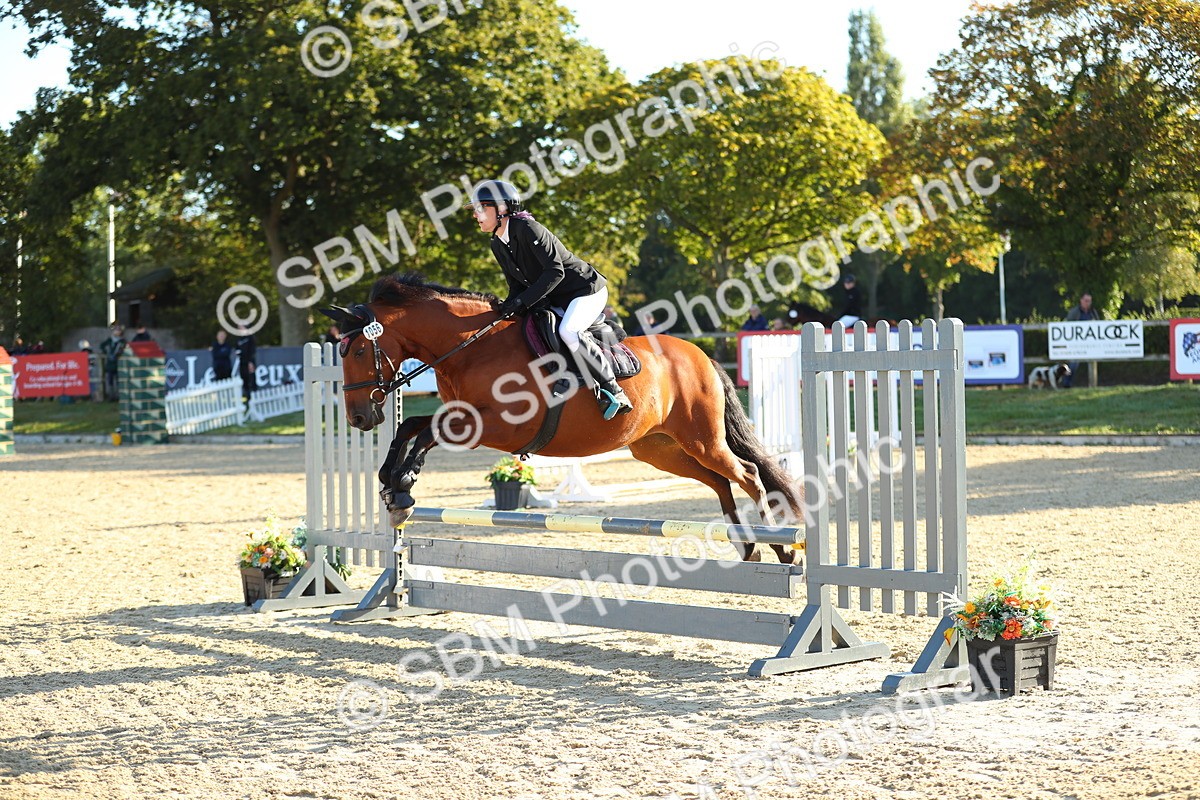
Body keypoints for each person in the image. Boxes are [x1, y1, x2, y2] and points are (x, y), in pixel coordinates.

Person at [469, 179, 632, 419]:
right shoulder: (497, 243)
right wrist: (508, 306)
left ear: (502, 208)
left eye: (482, 208)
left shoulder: (528, 229)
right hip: (556, 295)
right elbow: (516, 284)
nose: (476, 214)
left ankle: (613, 390)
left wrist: (523, 301)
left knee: (568, 331)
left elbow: (556, 271)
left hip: (585, 290)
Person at [1061, 292, 1101, 388]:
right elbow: (1067, 326)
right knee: (1073, 364)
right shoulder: (1074, 312)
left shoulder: (1093, 312)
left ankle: (1092, 385)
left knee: (1092, 363)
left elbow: (1099, 325)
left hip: (1091, 344)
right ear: (1081, 300)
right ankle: (1067, 384)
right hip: (1077, 345)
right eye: (1086, 301)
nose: (1088, 303)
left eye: (1089, 301)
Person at [99, 324, 126, 401]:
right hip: (110, 364)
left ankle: (119, 396)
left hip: (118, 364)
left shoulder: (122, 341)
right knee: (110, 381)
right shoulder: (110, 340)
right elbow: (102, 346)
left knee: (118, 380)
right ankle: (111, 396)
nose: (116, 332)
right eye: (115, 330)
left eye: (118, 330)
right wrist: (106, 352)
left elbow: (124, 350)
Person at [235, 325, 257, 402]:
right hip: (242, 363)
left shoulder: (250, 337)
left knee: (251, 379)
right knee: (244, 380)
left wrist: (250, 362)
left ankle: (254, 398)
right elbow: (237, 349)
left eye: (242, 327)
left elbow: (252, 350)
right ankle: (248, 398)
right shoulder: (239, 339)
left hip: (249, 362)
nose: (240, 329)